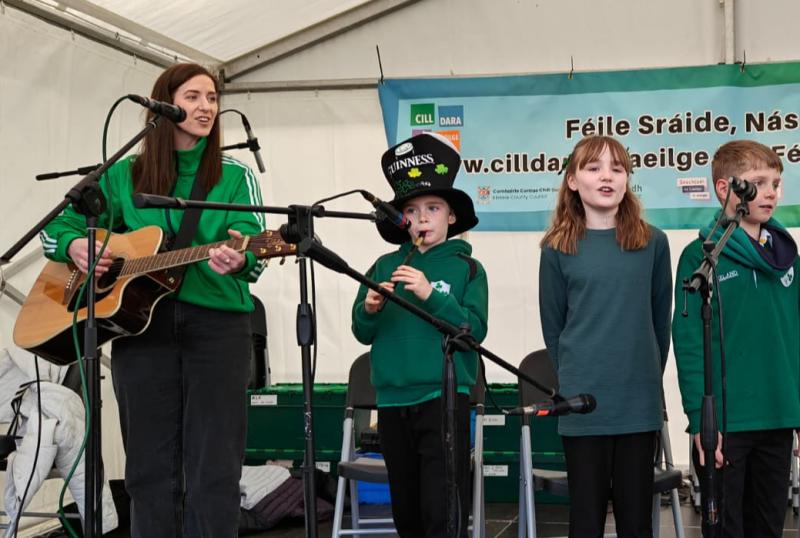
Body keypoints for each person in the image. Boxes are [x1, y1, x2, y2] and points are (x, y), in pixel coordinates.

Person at [39, 63, 267, 537]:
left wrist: (240, 260)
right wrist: (75, 246)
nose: (207, 107)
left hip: (217, 329)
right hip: (140, 329)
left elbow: (254, 248)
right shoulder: (123, 175)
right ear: (162, 105)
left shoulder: (232, 175)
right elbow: (53, 230)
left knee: (214, 470)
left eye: (212, 97)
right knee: (147, 471)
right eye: (194, 96)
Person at [351, 132, 488, 538]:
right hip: (392, 402)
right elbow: (361, 330)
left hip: (443, 401)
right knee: (406, 507)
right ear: (401, 220)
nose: (423, 217)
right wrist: (371, 308)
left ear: (452, 217)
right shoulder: (381, 265)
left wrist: (430, 295)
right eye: (412, 210)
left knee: (442, 507)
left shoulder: (468, 269)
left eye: (434, 207)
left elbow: (473, 330)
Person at [538, 135, 672, 537]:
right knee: (586, 519)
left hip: (637, 401)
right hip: (582, 404)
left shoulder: (653, 242)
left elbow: (659, 322)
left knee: (636, 521)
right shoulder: (556, 248)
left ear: (627, 178)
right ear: (574, 181)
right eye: (594, 168)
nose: (607, 176)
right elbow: (554, 327)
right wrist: (574, 383)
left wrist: (645, 378)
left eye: (617, 167)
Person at [672, 140, 800, 537]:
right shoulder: (700, 257)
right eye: (758, 182)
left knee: (768, 526)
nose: (771, 193)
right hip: (726, 424)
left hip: (778, 416)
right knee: (726, 528)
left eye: (776, 183)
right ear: (725, 189)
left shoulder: (788, 257)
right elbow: (689, 341)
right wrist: (699, 420)